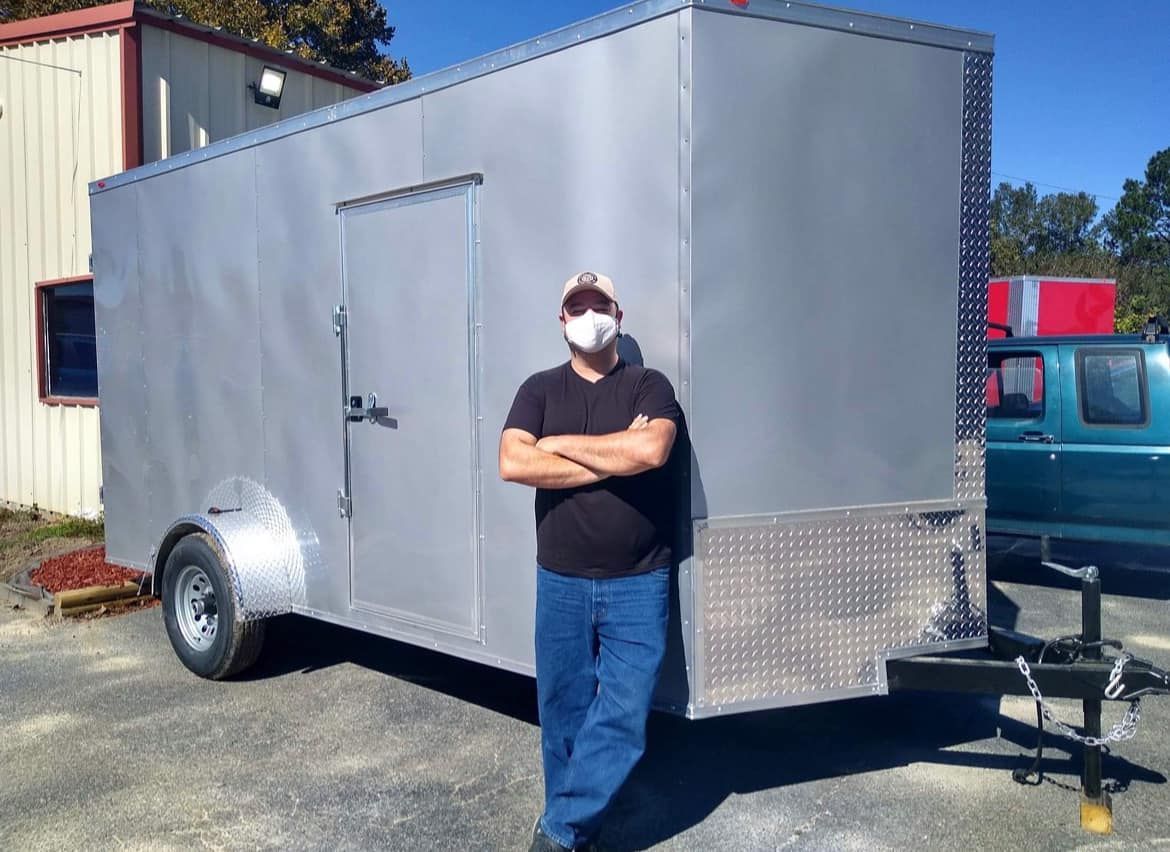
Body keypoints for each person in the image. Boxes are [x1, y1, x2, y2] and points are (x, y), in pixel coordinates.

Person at [499, 271, 681, 851]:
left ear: (618, 316)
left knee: (624, 717)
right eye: (575, 307)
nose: (587, 315)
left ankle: (556, 832)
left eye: (597, 305)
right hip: (561, 581)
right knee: (563, 717)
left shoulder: (648, 384)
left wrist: (554, 445)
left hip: (638, 581)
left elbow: (652, 448)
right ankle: (577, 836)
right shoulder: (539, 389)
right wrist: (613, 454)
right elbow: (512, 461)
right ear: (562, 322)